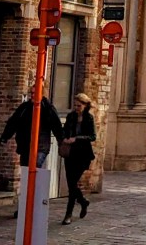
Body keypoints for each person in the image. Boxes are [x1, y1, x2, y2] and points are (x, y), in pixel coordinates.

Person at [0, 94, 65, 169]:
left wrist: (61, 140)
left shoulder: (47, 107)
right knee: (25, 169)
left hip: (40, 146)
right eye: (31, 93)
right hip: (25, 146)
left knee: (35, 167)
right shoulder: (25, 107)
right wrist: (5, 137)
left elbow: (56, 124)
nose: (33, 95)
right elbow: (13, 122)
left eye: (35, 93)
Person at [61, 93, 97, 225]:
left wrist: (76, 138)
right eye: (75, 105)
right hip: (70, 153)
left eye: (79, 106)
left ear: (85, 105)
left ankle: (68, 214)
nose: (76, 108)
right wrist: (64, 138)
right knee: (71, 184)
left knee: (72, 184)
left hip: (82, 155)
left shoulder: (89, 118)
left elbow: (92, 136)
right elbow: (64, 130)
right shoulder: (71, 116)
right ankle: (82, 201)